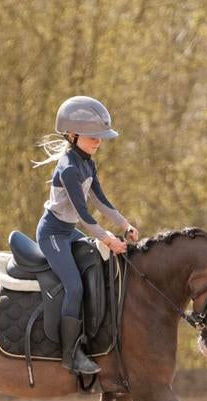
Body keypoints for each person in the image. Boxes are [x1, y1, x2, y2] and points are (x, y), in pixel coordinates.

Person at [33, 96, 139, 375]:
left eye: (100, 137)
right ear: (73, 134)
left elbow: (101, 201)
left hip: (69, 231)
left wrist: (125, 225)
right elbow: (84, 214)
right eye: (93, 137)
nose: (98, 142)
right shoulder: (68, 168)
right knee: (75, 286)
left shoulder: (87, 163)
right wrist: (108, 239)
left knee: (99, 269)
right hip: (53, 233)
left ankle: (93, 336)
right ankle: (70, 355)